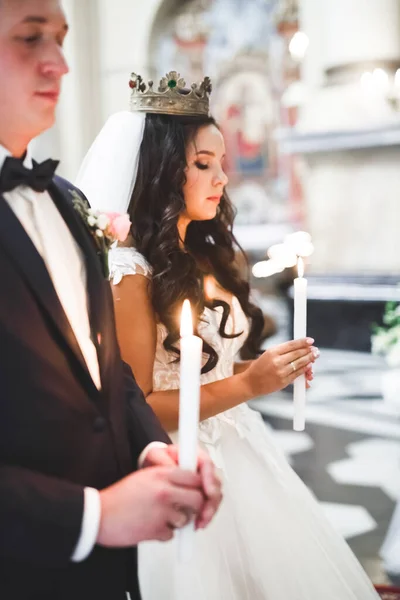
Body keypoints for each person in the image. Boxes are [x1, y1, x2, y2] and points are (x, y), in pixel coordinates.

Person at [77, 71, 380, 599]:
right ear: (164, 172)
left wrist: (267, 370)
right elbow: (141, 402)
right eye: (202, 164)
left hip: (239, 446)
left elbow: (204, 367)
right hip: (178, 456)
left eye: (221, 164)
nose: (220, 178)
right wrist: (248, 385)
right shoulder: (130, 270)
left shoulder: (198, 251)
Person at [0, 5, 222, 600]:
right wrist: (92, 516)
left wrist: (150, 447)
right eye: (29, 39)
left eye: (61, 39)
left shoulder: (71, 204)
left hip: (104, 574)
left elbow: (107, 368)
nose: (59, 64)